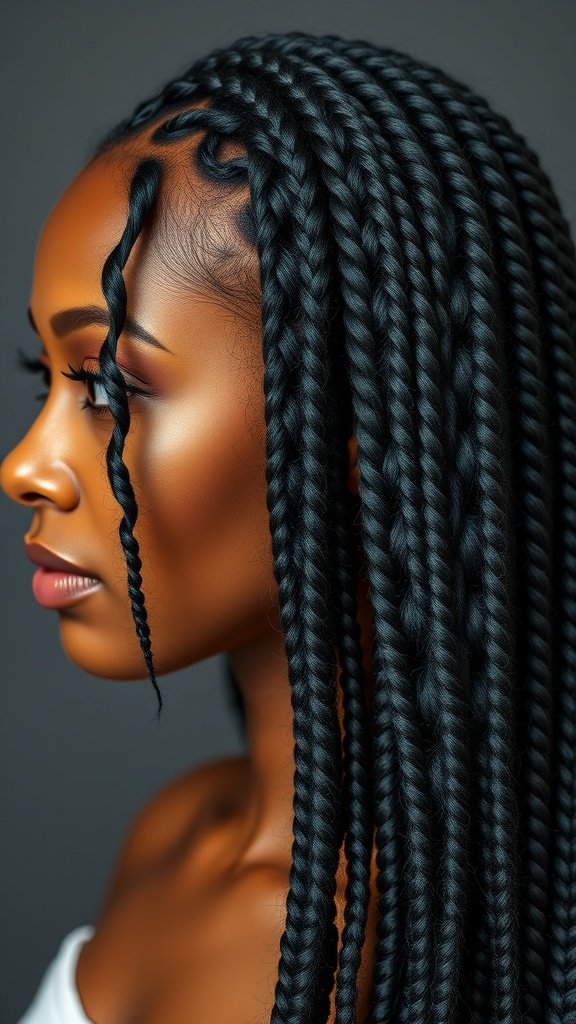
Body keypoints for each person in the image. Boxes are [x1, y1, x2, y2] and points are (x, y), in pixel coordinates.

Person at [1, 29, 575, 1024]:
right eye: (42, 379)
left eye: (108, 385)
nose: (25, 465)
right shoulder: (173, 836)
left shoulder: (419, 970)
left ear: (361, 424)